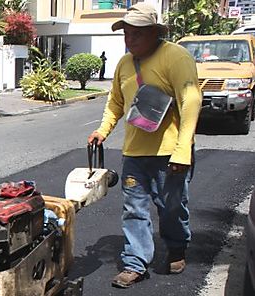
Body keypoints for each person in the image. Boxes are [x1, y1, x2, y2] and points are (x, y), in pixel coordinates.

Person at [86, 3, 202, 289]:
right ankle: (135, 262)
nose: (130, 40)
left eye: (136, 34)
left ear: (154, 32)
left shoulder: (176, 57)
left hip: (170, 152)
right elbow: (115, 102)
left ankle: (176, 247)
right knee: (134, 209)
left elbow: (191, 101)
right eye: (126, 34)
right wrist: (103, 130)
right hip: (135, 153)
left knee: (171, 207)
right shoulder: (125, 64)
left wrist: (183, 148)